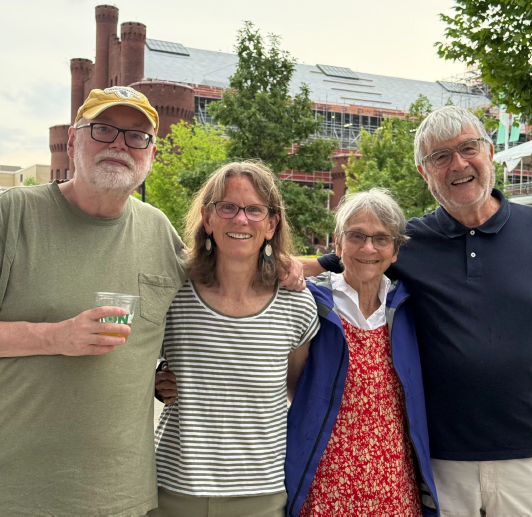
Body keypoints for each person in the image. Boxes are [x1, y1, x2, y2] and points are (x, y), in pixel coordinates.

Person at [302, 105, 532, 516]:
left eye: (468, 148)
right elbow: (335, 260)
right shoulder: (404, 243)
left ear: (490, 152)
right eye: (440, 157)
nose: (458, 164)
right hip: (440, 462)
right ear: (425, 173)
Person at [0, 86, 188, 515]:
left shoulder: (158, 231)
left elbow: (219, 286)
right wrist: (55, 337)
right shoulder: (13, 215)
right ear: (72, 141)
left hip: (121, 496)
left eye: (137, 136)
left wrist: (308, 266)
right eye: (103, 129)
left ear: (151, 156)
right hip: (16, 493)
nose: (120, 144)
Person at [149, 161, 320, 517]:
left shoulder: (296, 302)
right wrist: (153, 378)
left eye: (255, 210)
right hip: (172, 490)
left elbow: (298, 393)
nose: (240, 219)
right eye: (227, 207)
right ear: (207, 219)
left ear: (272, 224)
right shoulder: (174, 290)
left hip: (261, 495)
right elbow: (133, 355)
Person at [284, 188, 439, 516]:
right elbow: (290, 385)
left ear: (396, 251)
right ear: (337, 244)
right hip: (325, 487)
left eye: (381, 238)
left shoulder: (409, 308)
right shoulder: (312, 304)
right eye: (356, 236)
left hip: (394, 487)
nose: (369, 248)